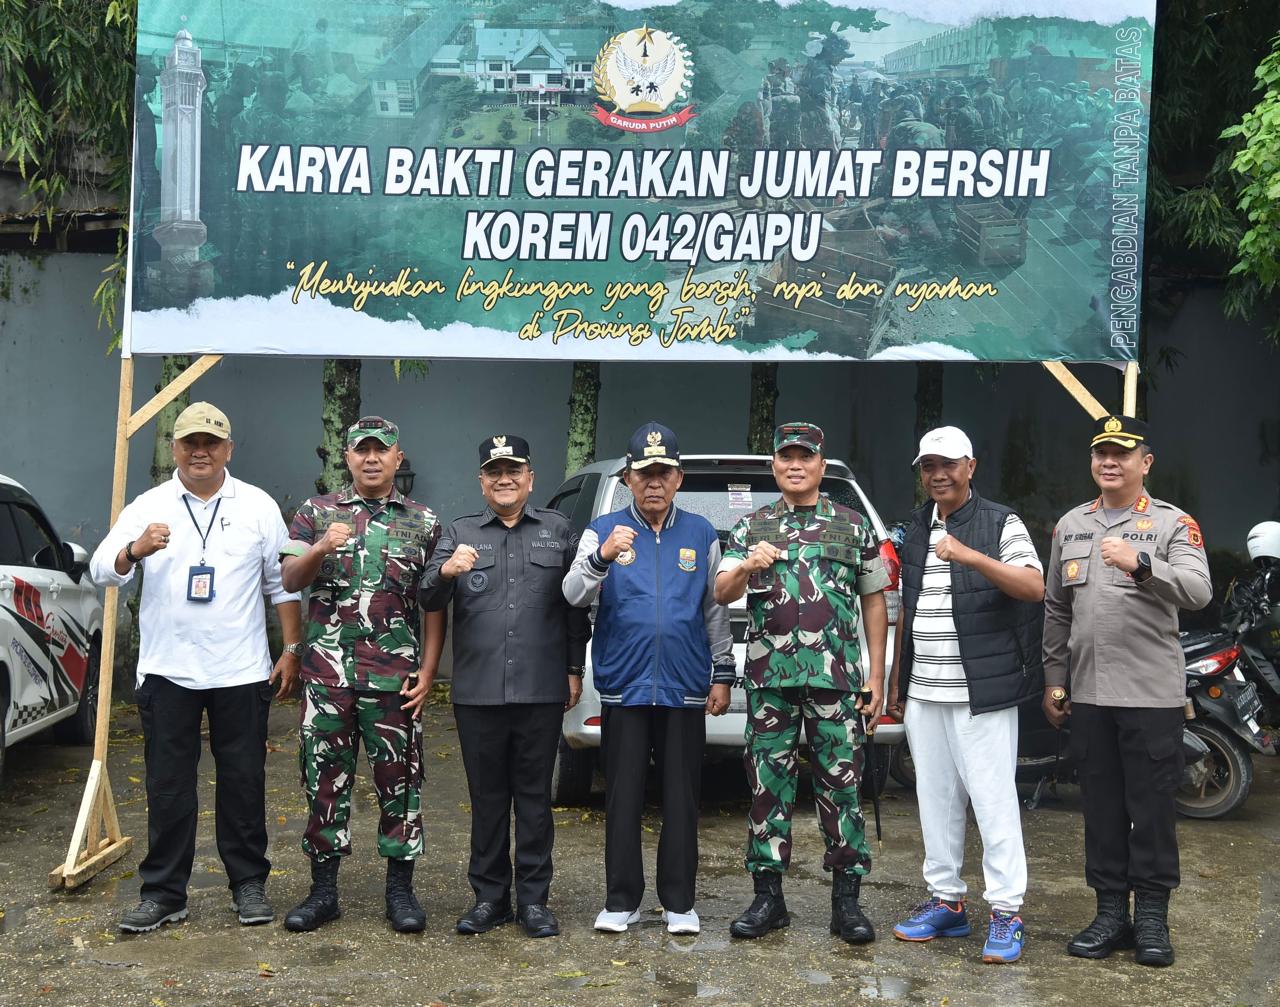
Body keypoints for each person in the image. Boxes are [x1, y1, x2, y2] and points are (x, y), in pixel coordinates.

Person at [89, 402, 303, 933]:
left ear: (229, 449)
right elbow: (100, 568)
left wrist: (292, 649)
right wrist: (134, 551)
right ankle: (163, 893)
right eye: (189, 442)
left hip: (241, 671)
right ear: (174, 448)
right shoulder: (149, 504)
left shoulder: (256, 505)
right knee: (168, 787)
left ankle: (248, 884)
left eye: (211, 442)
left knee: (243, 783)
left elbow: (282, 582)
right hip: (169, 673)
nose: (200, 451)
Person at [1043, 415, 1211, 967]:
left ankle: (1153, 919)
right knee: (1102, 810)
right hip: (1088, 695)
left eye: (1121, 452)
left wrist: (1141, 563)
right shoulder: (1071, 525)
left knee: (1153, 810)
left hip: (1150, 696)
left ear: (1146, 462)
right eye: (1100, 453)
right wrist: (1055, 680)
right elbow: (1056, 610)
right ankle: (1110, 913)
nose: (1109, 462)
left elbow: (1197, 591)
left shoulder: (1172, 524)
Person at [716, 422, 890, 945]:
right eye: (786, 457)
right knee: (768, 788)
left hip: (836, 681)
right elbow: (721, 592)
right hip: (772, 682)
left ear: (821, 464)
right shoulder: (751, 527)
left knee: (843, 790)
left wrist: (876, 674)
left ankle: (847, 902)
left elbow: (874, 599)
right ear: (774, 466)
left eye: (805, 457)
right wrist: (747, 564)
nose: (795, 465)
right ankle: (768, 898)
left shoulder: (853, 525)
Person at [563, 421, 734, 936]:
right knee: (623, 795)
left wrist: (722, 672)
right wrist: (601, 557)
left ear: (678, 478)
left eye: (663, 472)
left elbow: (715, 610)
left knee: (683, 795)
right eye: (644, 473)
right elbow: (572, 594)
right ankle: (622, 900)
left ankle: (679, 901)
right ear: (629, 479)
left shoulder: (701, 533)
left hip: (684, 685)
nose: (653, 482)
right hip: (624, 683)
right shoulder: (604, 529)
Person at [420, 435, 591, 939]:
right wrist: (447, 572)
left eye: (513, 469)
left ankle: (534, 901)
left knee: (535, 799)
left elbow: (574, 606)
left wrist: (573, 668)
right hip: (478, 692)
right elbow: (427, 595)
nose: (504, 478)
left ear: (530, 477)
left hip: (540, 688)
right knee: (488, 798)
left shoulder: (559, 529)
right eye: (493, 471)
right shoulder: (459, 532)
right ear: (481, 480)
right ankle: (489, 898)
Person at [279, 416, 444, 934]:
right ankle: (323, 892)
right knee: (323, 781)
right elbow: (288, 578)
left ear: (399, 457)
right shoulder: (314, 512)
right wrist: (322, 547)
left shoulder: (424, 522)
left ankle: (401, 892)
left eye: (382, 450)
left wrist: (430, 670)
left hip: (395, 679)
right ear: (346, 458)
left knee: (401, 783)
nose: (371, 459)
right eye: (361, 451)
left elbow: (434, 603)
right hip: (327, 678)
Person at [886, 426, 1044, 964]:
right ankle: (947, 901)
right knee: (935, 801)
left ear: (970, 466)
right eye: (928, 465)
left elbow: (1033, 586)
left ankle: (1005, 911)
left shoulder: (1002, 522)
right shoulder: (913, 527)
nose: (938, 474)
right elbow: (906, 609)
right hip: (925, 692)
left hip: (983, 691)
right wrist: (896, 686)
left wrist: (970, 556)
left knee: (993, 802)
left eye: (948, 464)